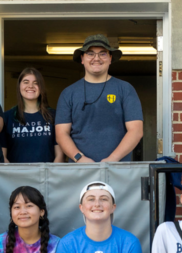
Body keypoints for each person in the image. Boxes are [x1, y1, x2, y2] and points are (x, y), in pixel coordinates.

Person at [55, 34, 143, 163]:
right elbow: (61, 134)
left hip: (117, 169)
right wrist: (79, 158)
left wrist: (112, 160)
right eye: (90, 53)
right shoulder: (68, 93)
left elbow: (136, 131)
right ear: (82, 59)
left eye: (102, 54)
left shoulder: (125, 89)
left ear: (110, 58)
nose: (96, 58)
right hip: (79, 169)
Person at [0, 68, 63, 163]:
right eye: (26, 82)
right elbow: (2, 157)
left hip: (46, 176)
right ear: (19, 86)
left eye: (36, 83)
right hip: (16, 176)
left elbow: (59, 156)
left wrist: (50, 176)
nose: (30, 86)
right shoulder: (7, 118)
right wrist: (12, 176)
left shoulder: (54, 116)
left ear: (41, 87)